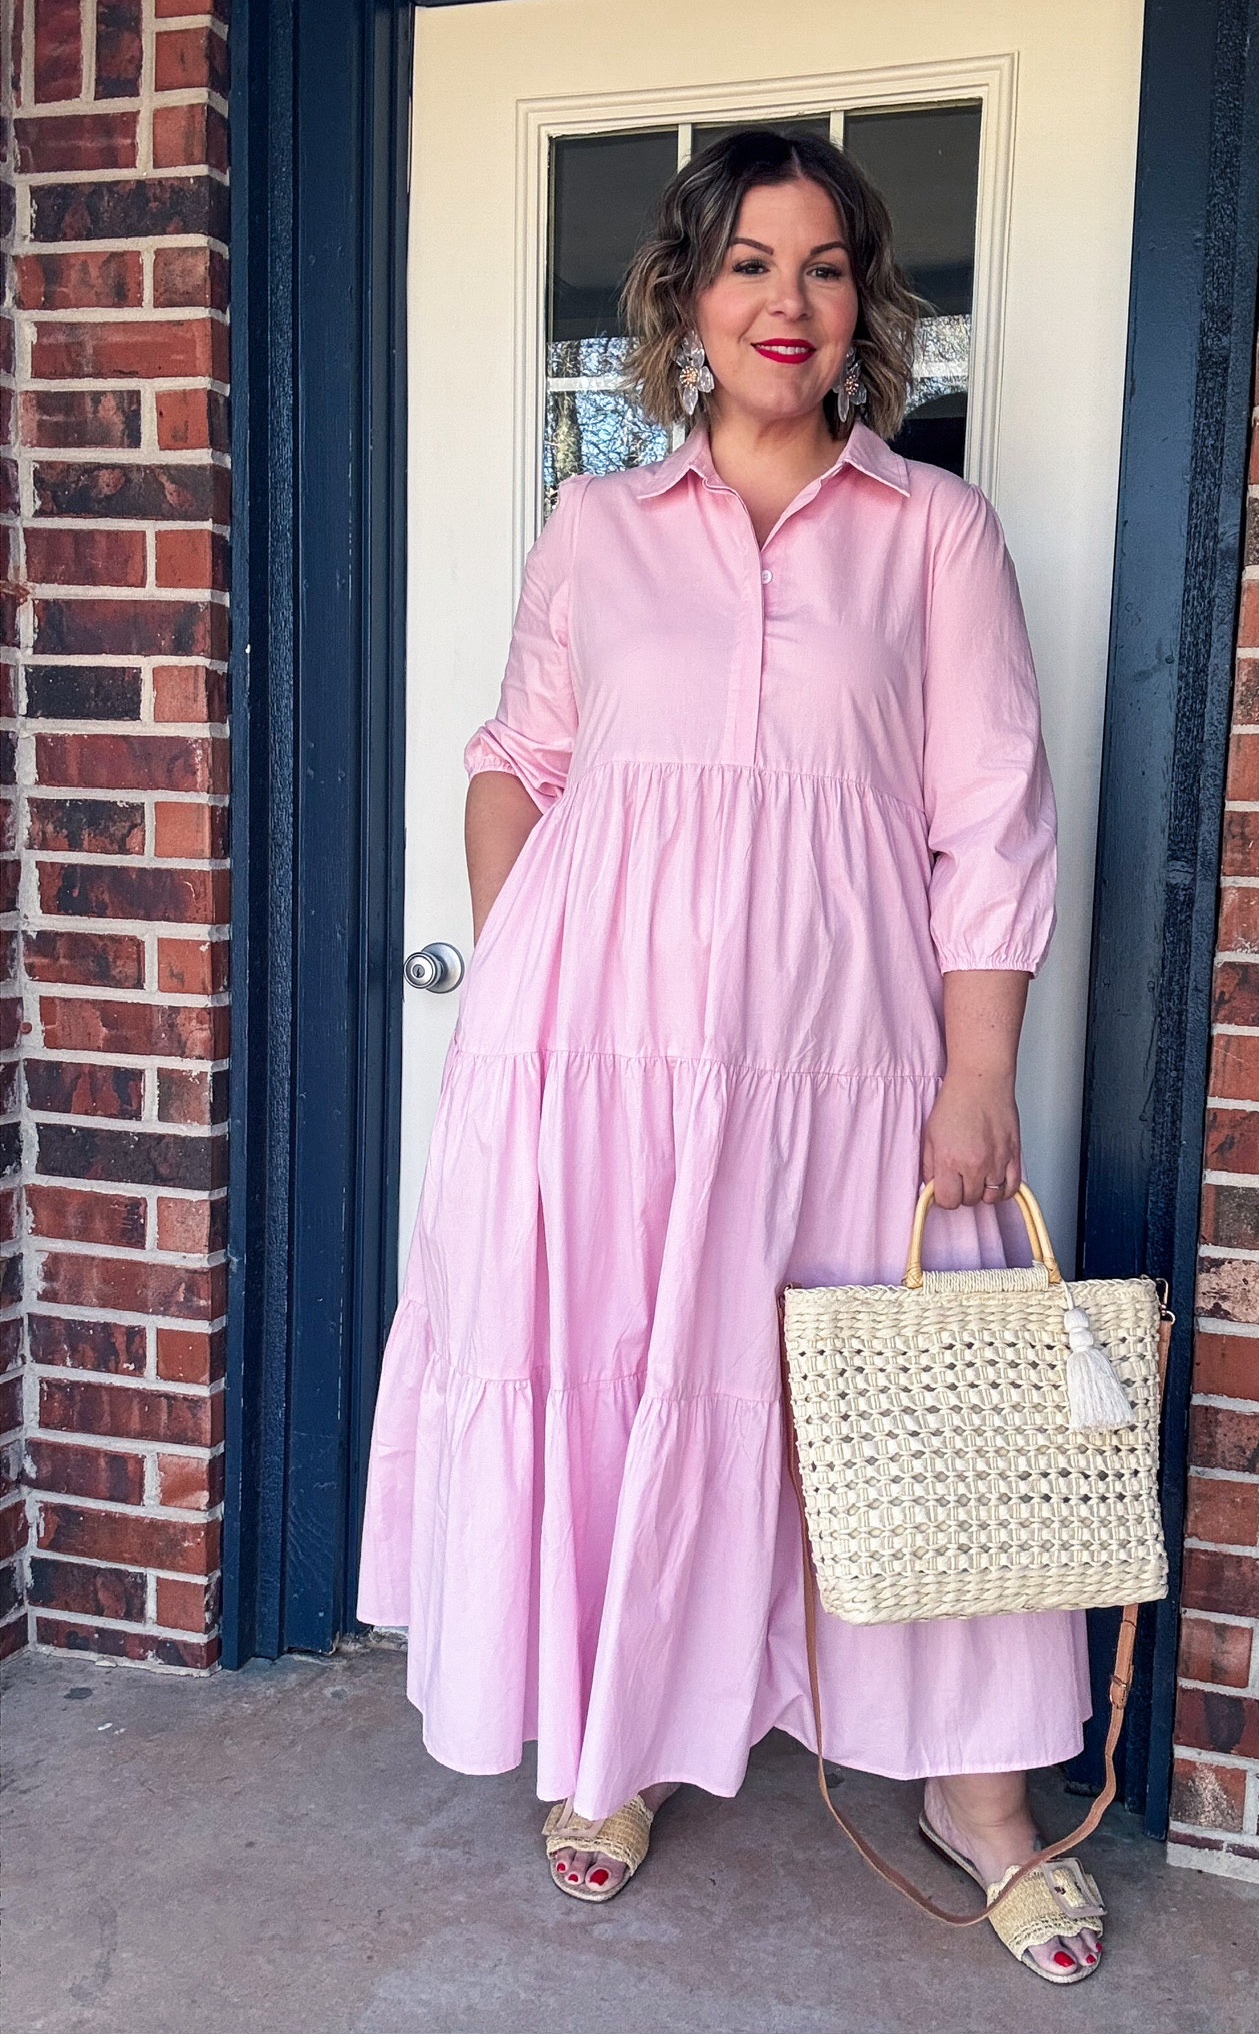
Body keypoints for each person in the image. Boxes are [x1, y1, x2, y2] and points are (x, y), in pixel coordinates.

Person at [358, 129, 1100, 1983]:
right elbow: (518, 758)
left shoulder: (934, 532)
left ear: (868, 305)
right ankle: (610, 1749)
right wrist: (524, 989)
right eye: (752, 264)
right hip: (597, 1054)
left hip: (849, 1055)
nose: (789, 301)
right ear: (688, 300)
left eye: (826, 265)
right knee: (620, 1381)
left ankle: (976, 1796)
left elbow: (992, 821)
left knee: (919, 1404)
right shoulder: (597, 528)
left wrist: (978, 1069)